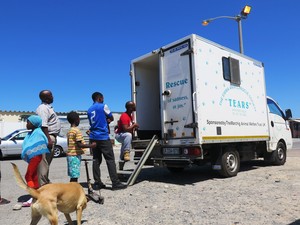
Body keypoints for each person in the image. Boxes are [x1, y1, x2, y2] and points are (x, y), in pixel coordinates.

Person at [87, 92, 126, 190]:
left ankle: (97, 182)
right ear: (99, 98)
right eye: (102, 98)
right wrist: (106, 121)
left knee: (96, 159)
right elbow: (111, 117)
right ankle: (115, 183)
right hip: (103, 137)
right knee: (110, 160)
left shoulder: (89, 110)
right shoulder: (103, 106)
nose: (103, 100)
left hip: (93, 137)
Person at [17, 115, 49, 208]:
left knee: (29, 175)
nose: (27, 124)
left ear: (34, 123)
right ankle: (36, 196)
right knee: (34, 176)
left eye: (28, 122)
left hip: (36, 157)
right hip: (34, 158)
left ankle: (34, 196)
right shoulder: (32, 133)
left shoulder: (38, 133)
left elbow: (43, 142)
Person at [36, 90, 61, 186]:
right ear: (46, 98)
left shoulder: (48, 108)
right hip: (48, 136)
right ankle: (42, 186)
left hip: (51, 136)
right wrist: (48, 139)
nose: (53, 97)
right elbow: (43, 125)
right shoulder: (43, 108)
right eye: (51, 95)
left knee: (46, 163)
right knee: (43, 163)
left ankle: (45, 183)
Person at [66, 111, 96, 182]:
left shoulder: (70, 130)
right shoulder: (77, 131)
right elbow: (79, 144)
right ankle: (73, 190)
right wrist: (91, 145)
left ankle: (72, 189)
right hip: (74, 156)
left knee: (73, 175)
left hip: (70, 156)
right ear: (77, 120)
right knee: (75, 176)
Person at [115, 101, 139, 170]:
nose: (135, 107)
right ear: (130, 108)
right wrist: (134, 125)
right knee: (128, 135)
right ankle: (127, 152)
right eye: (134, 105)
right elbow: (125, 129)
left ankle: (120, 171)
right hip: (120, 135)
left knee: (122, 156)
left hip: (124, 136)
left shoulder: (130, 116)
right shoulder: (124, 116)